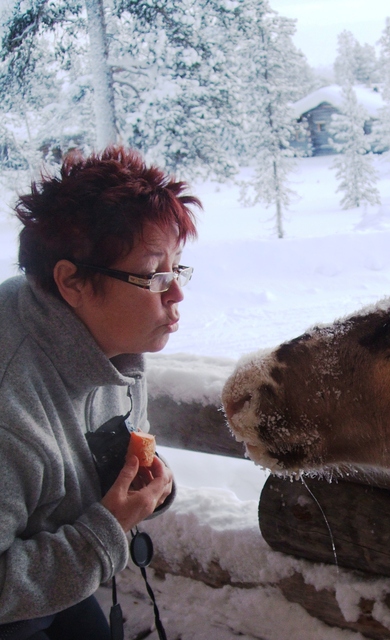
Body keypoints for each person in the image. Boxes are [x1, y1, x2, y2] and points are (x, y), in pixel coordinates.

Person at [0, 146, 200, 639]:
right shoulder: (10, 413)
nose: (176, 293)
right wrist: (106, 531)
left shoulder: (111, 342)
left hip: (51, 562)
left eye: (177, 268)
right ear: (72, 281)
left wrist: (144, 484)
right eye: (154, 273)